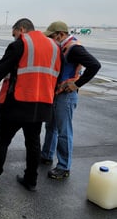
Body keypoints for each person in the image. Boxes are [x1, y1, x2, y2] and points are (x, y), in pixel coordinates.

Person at [0, 18, 62, 192]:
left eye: (15, 34)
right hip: (42, 105)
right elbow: (58, 74)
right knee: (33, 144)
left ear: (22, 29)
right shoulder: (55, 47)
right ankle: (31, 180)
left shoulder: (21, 45)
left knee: (2, 142)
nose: (14, 38)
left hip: (17, 104)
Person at [41, 21, 101, 179]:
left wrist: (76, 84)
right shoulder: (63, 47)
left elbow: (95, 65)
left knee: (64, 132)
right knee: (51, 127)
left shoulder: (74, 48)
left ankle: (63, 167)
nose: (51, 40)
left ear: (60, 34)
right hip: (57, 93)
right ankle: (46, 155)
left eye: (53, 37)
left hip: (66, 96)